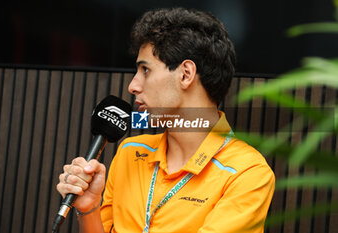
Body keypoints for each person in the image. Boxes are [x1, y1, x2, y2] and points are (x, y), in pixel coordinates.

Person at [56, 8, 275, 233]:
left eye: (145, 70)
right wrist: (89, 207)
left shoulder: (247, 172)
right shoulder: (129, 152)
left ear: (186, 74)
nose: (133, 86)